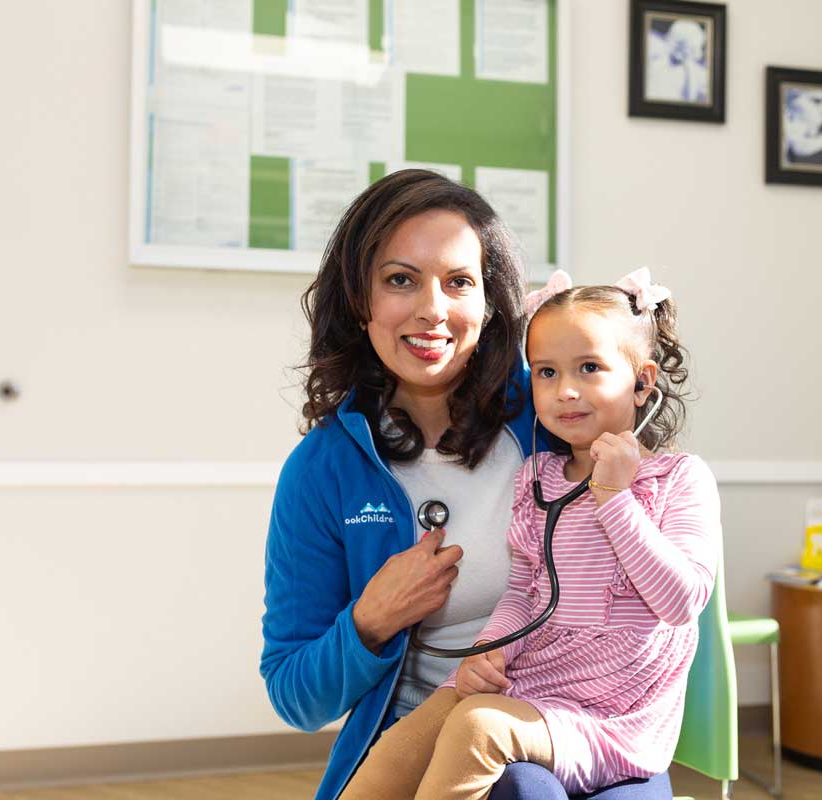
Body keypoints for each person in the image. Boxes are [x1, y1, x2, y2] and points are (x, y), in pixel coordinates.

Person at [260, 171, 675, 800]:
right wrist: (371, 620)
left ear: (490, 303)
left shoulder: (555, 416)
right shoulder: (323, 471)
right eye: (400, 279)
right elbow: (294, 694)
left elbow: (662, 547)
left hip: (589, 720)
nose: (432, 308)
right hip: (427, 732)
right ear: (359, 301)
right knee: (519, 788)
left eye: (459, 282)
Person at [339, 269, 723, 800]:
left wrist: (614, 499)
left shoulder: (680, 480)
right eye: (545, 372)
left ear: (643, 382)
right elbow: (524, 592)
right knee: (418, 729)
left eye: (589, 368)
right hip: (535, 677)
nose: (565, 391)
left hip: (613, 711)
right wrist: (486, 653)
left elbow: (681, 602)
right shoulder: (536, 480)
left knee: (478, 729)